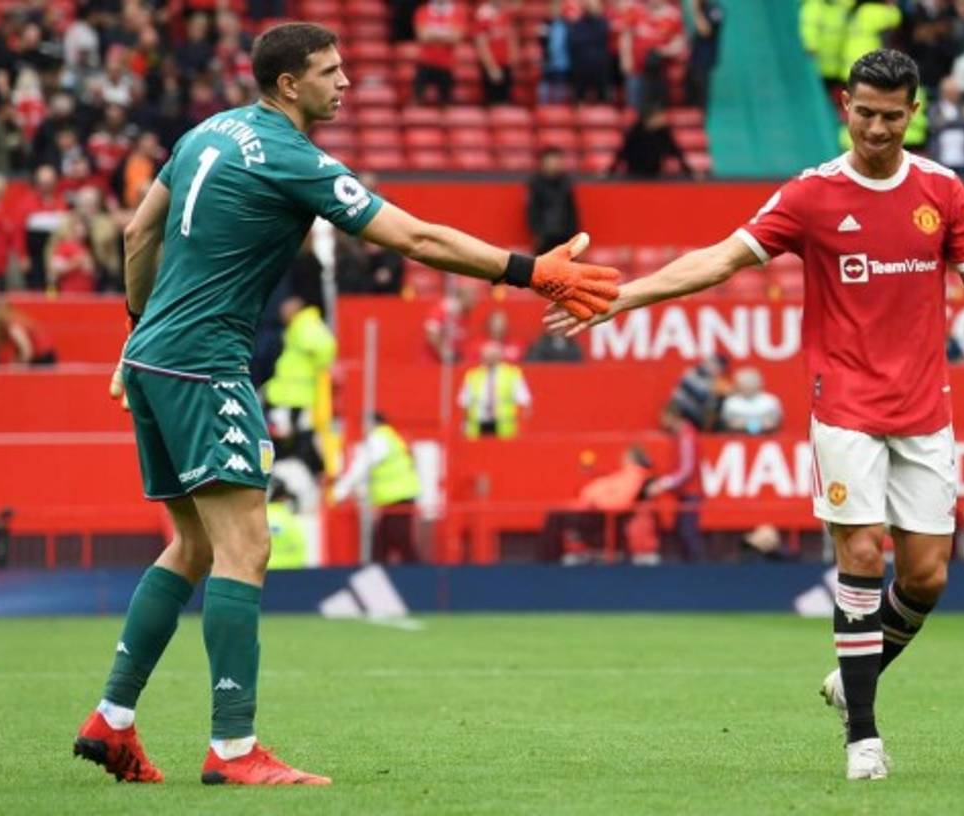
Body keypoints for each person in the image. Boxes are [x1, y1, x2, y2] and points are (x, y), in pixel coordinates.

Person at [76, 22, 618, 788]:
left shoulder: (206, 132)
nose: (347, 83)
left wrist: (136, 336)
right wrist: (531, 271)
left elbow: (138, 234)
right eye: (331, 73)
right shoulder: (294, 158)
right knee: (246, 549)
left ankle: (113, 721)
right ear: (289, 85)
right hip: (206, 362)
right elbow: (416, 238)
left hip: (157, 357)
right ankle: (233, 749)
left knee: (193, 547)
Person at [546, 49, 964, 781]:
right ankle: (863, 739)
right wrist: (625, 297)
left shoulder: (943, 189)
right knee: (862, 556)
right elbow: (719, 260)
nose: (876, 128)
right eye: (864, 113)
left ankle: (852, 678)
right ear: (846, 105)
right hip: (842, 406)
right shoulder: (811, 196)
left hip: (925, 410)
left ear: (914, 112)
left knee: (928, 577)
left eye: (891, 116)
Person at [331, 412, 421, 564]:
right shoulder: (390, 437)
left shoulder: (379, 439)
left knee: (396, 538)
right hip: (397, 496)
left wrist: (340, 491)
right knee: (384, 540)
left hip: (397, 496)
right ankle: (388, 570)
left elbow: (362, 465)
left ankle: (416, 574)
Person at [263, 296, 337, 477]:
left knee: (281, 441)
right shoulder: (299, 326)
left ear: (296, 306)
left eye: (286, 305)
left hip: (291, 399)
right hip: (284, 397)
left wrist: (318, 362)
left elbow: (325, 347)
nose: (282, 310)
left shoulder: (305, 324)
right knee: (277, 438)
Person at [645, 404, 705, 562]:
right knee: (682, 532)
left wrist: (662, 484)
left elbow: (686, 470)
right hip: (684, 492)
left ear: (673, 417)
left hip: (691, 492)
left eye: (664, 418)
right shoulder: (681, 436)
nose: (662, 422)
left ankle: (700, 571)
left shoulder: (687, 437)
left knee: (688, 533)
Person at [457, 340, 533, 438]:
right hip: (478, 423)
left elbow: (524, 400)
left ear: (499, 356)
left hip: (503, 424)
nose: (489, 358)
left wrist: (522, 425)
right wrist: (464, 424)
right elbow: (464, 402)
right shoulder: (473, 375)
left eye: (493, 355)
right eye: (487, 355)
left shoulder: (512, 374)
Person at [609, 105, 694, 179]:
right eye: (659, 116)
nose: (663, 118)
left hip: (654, 176)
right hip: (633, 176)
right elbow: (621, 155)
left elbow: (676, 153)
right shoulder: (635, 133)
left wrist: (689, 172)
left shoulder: (663, 134)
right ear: (649, 118)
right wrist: (609, 174)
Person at [527, 147, 580, 255]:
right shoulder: (536, 183)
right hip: (545, 236)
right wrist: (537, 232)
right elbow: (533, 210)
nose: (553, 164)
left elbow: (572, 210)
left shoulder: (566, 183)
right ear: (543, 163)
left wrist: (575, 234)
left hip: (565, 235)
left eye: (556, 161)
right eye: (550, 161)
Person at [414, 0, 468, 105]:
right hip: (425, 63)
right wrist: (447, 34)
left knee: (446, 103)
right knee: (417, 101)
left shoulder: (457, 12)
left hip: (446, 65)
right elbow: (422, 37)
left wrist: (432, 34)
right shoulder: (423, 11)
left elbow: (456, 38)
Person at [473, 0, 519, 105]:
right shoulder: (483, 14)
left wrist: (513, 55)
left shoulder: (504, 12)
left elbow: (509, 36)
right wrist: (491, 67)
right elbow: (481, 43)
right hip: (493, 65)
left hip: (505, 64)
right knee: (493, 101)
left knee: (505, 102)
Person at [671, 354, 729, 430]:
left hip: (702, 417)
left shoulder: (719, 382)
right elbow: (701, 396)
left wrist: (719, 396)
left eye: (716, 366)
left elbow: (715, 405)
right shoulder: (691, 374)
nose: (710, 367)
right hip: (684, 411)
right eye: (709, 363)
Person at [719, 366, 783, 435]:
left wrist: (744, 423)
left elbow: (771, 423)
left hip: (767, 437)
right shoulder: (731, 402)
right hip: (737, 437)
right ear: (738, 385)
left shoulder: (770, 401)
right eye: (744, 383)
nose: (748, 386)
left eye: (751, 382)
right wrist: (759, 423)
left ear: (759, 383)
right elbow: (731, 423)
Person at [685, 0, 723, 109]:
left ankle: (702, 117)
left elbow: (705, 30)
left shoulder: (715, 10)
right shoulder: (701, 9)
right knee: (690, 90)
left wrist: (695, 10)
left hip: (705, 57)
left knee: (701, 91)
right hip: (694, 57)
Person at [264, 478, 307, 570]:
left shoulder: (256, 517)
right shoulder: (288, 518)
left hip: (262, 574)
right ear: (283, 497)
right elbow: (299, 546)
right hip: (290, 573)